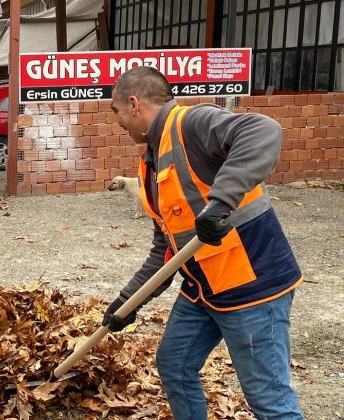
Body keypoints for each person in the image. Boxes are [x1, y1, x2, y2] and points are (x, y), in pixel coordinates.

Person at [102, 66, 304, 419]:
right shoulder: (151, 159)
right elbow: (166, 250)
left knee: (269, 401)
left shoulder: (191, 124)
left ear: (134, 104)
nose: (117, 121)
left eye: (116, 111)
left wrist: (220, 202)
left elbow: (263, 130)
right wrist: (127, 303)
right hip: (205, 289)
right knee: (175, 365)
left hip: (252, 287)